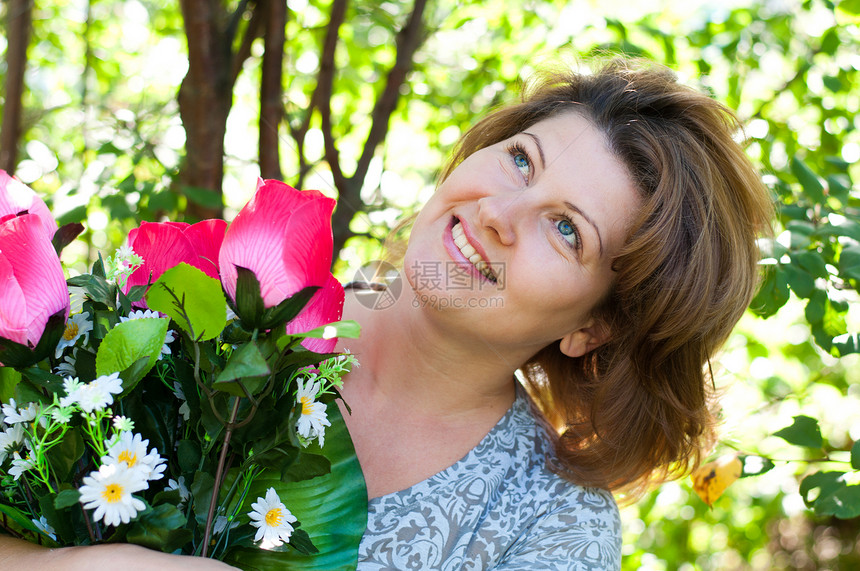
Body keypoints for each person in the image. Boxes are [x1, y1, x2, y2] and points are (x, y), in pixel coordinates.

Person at [0, 57, 772, 569]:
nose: (502, 210)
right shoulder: (222, 303)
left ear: (595, 326)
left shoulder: (550, 527)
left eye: (567, 228)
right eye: (520, 159)